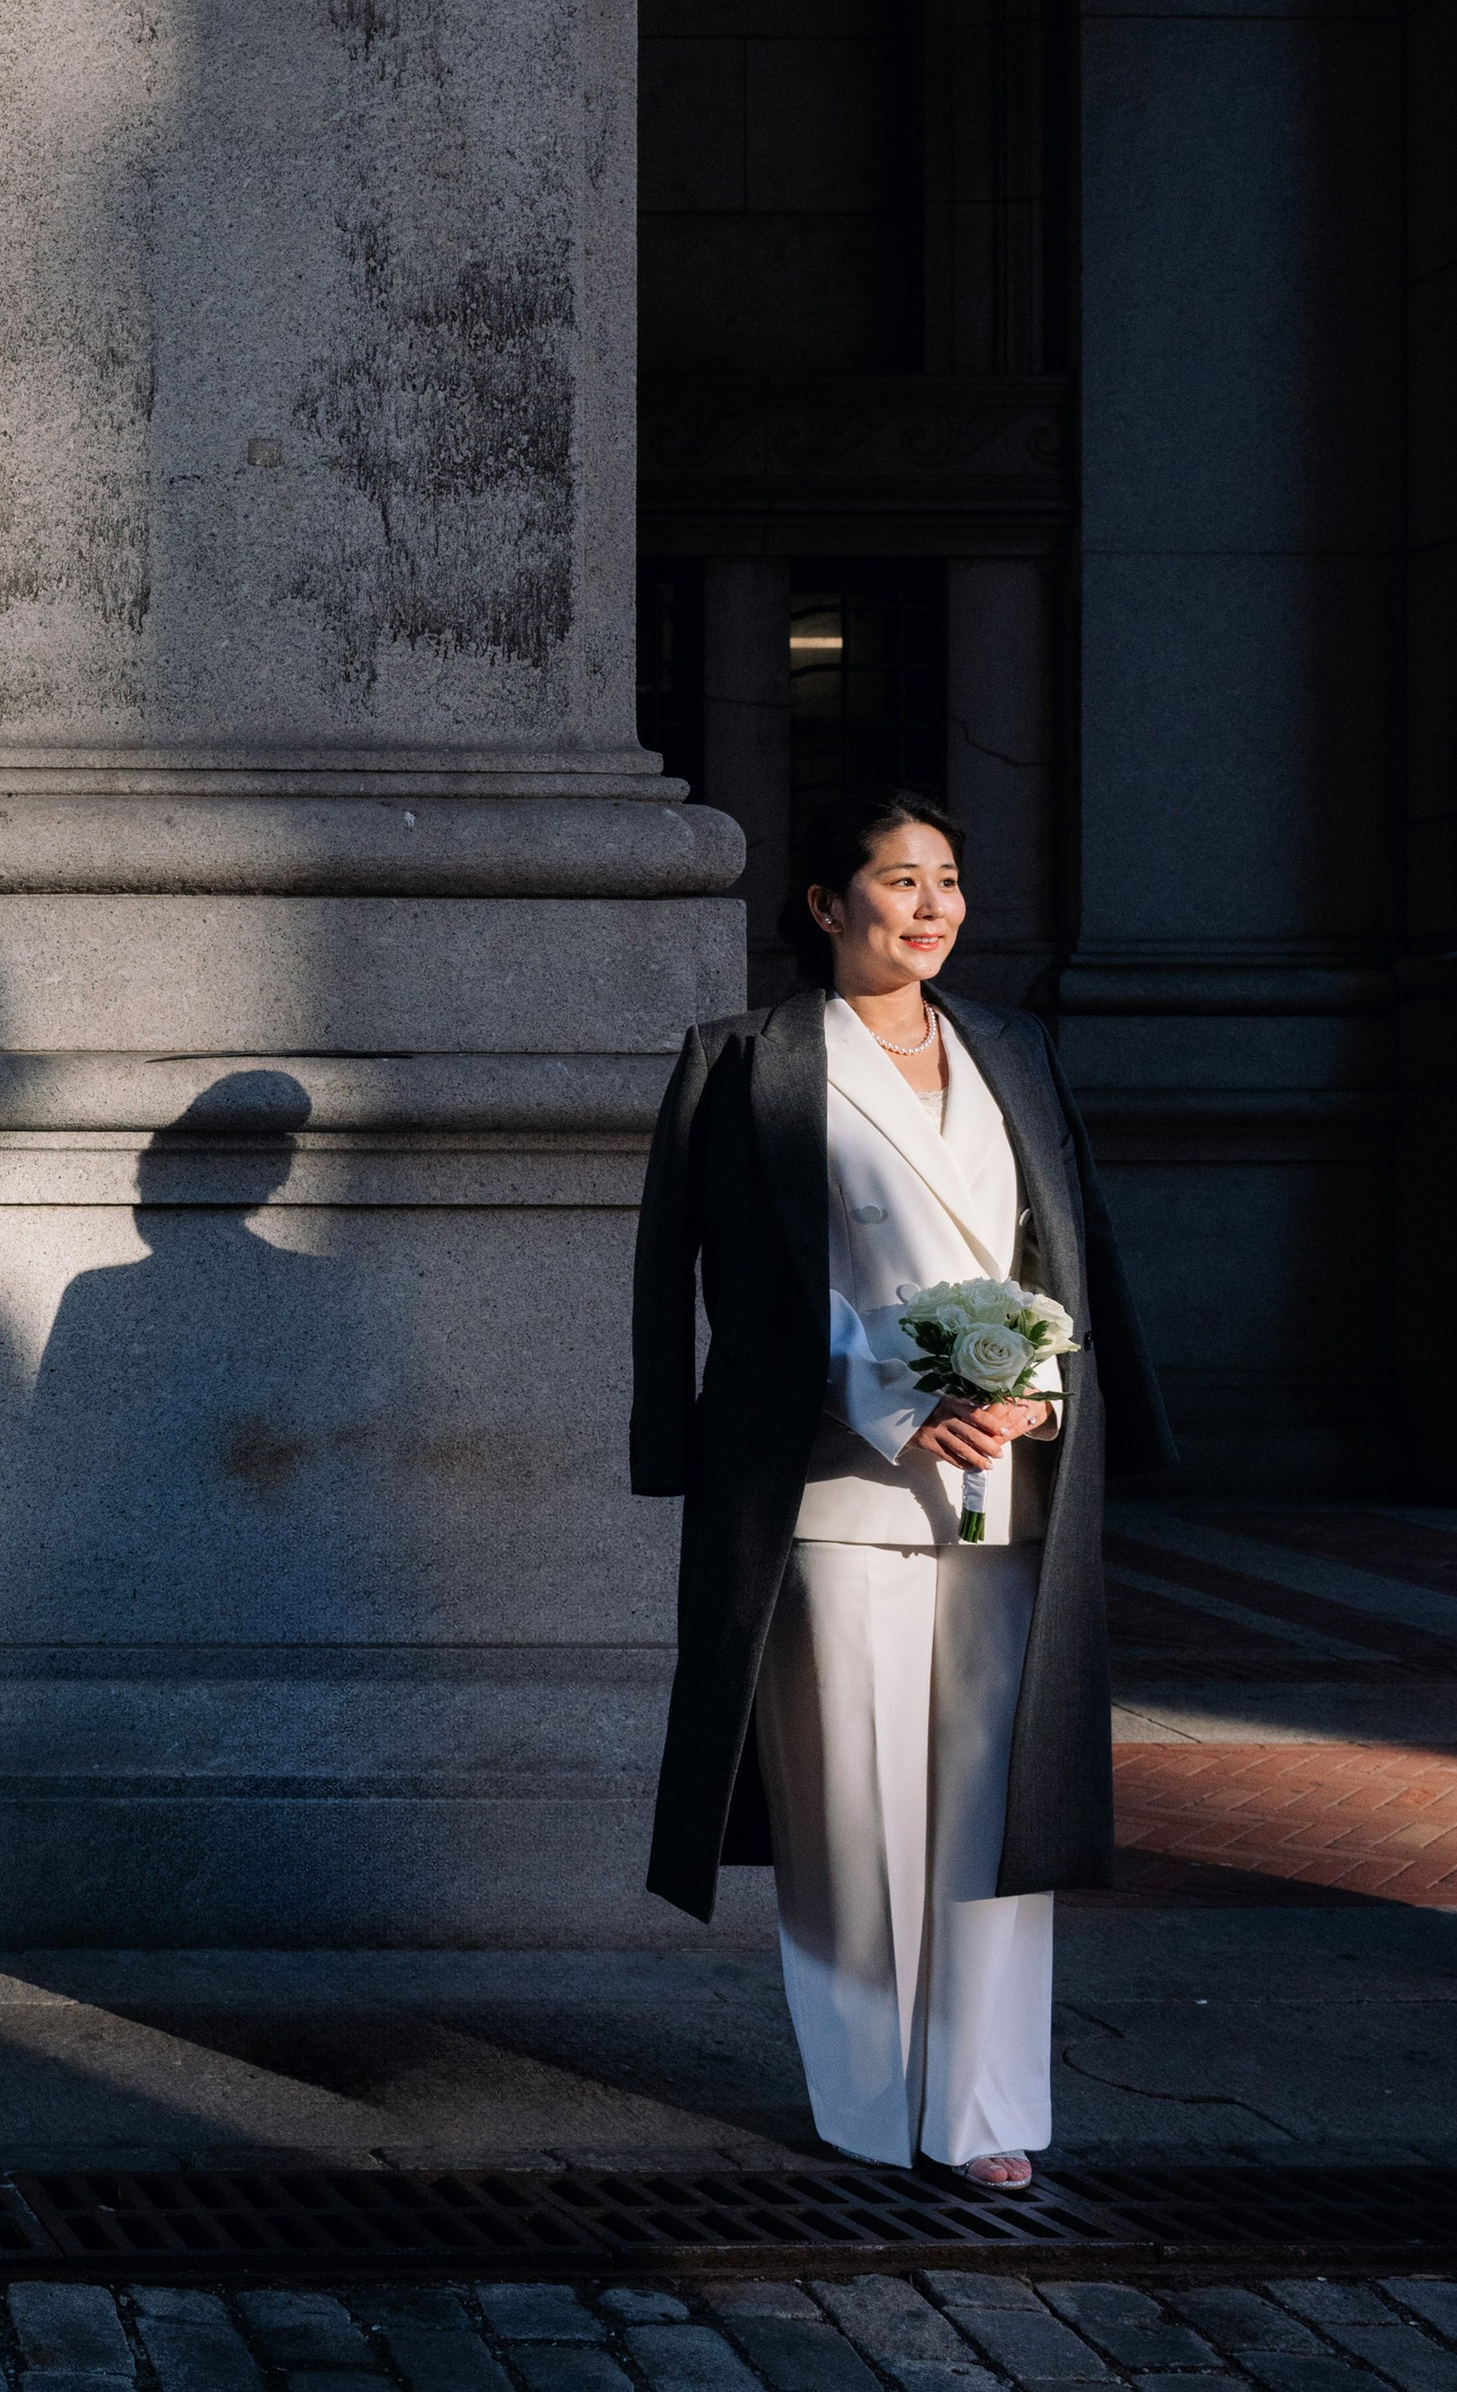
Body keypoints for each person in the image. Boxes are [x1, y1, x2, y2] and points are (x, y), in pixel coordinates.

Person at [629, 790, 1175, 2190]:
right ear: (826, 906)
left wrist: (1035, 1390)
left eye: (947, 881)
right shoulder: (743, 1060)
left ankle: (984, 2114)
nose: (930, 907)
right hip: (832, 1490)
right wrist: (886, 1396)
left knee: (1001, 1807)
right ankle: (872, 2104)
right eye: (898, 881)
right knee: (852, 1812)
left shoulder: (1012, 1049)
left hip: (1011, 1488)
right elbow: (711, 1288)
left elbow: (1067, 1252)